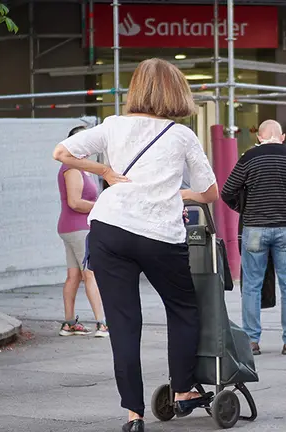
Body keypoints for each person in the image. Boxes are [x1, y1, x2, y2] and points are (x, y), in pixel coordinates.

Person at [52, 58, 219, 432]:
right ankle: (182, 391)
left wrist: (105, 172)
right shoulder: (182, 135)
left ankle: (133, 414)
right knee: (182, 310)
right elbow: (210, 193)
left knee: (124, 323)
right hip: (160, 234)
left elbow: (61, 152)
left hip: (110, 229)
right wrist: (178, 193)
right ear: (178, 91)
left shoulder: (113, 126)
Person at [221, 119, 286, 356]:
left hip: (254, 229)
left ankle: (251, 341)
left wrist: (245, 208)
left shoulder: (249, 157)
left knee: (251, 285)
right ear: (282, 137)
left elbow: (227, 191)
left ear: (259, 137)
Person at [56, 125, 109, 338]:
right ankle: (102, 324)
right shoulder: (72, 168)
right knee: (91, 274)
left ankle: (69, 324)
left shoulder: (78, 167)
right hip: (78, 228)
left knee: (74, 276)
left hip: (71, 227)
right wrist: (103, 206)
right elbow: (75, 202)